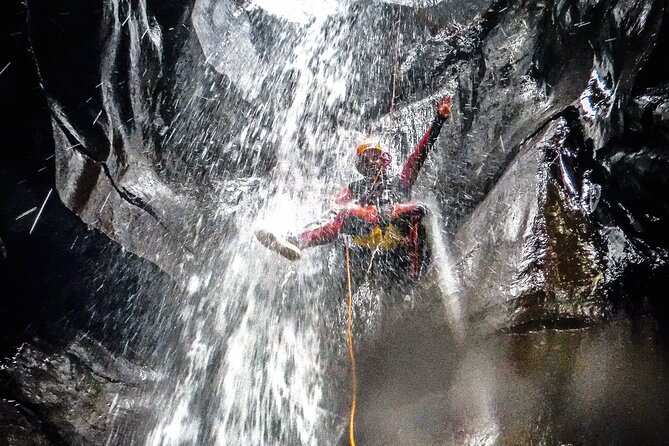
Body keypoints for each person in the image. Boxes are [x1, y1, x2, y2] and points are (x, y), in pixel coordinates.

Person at [256, 96, 452, 279]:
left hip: (395, 233)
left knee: (418, 209)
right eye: (366, 159)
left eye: (375, 156)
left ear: (384, 159)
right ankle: (294, 241)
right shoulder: (355, 188)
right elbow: (334, 205)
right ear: (362, 165)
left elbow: (418, 156)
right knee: (342, 214)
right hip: (369, 235)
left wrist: (438, 121)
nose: (371, 161)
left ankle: (414, 272)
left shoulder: (398, 182)